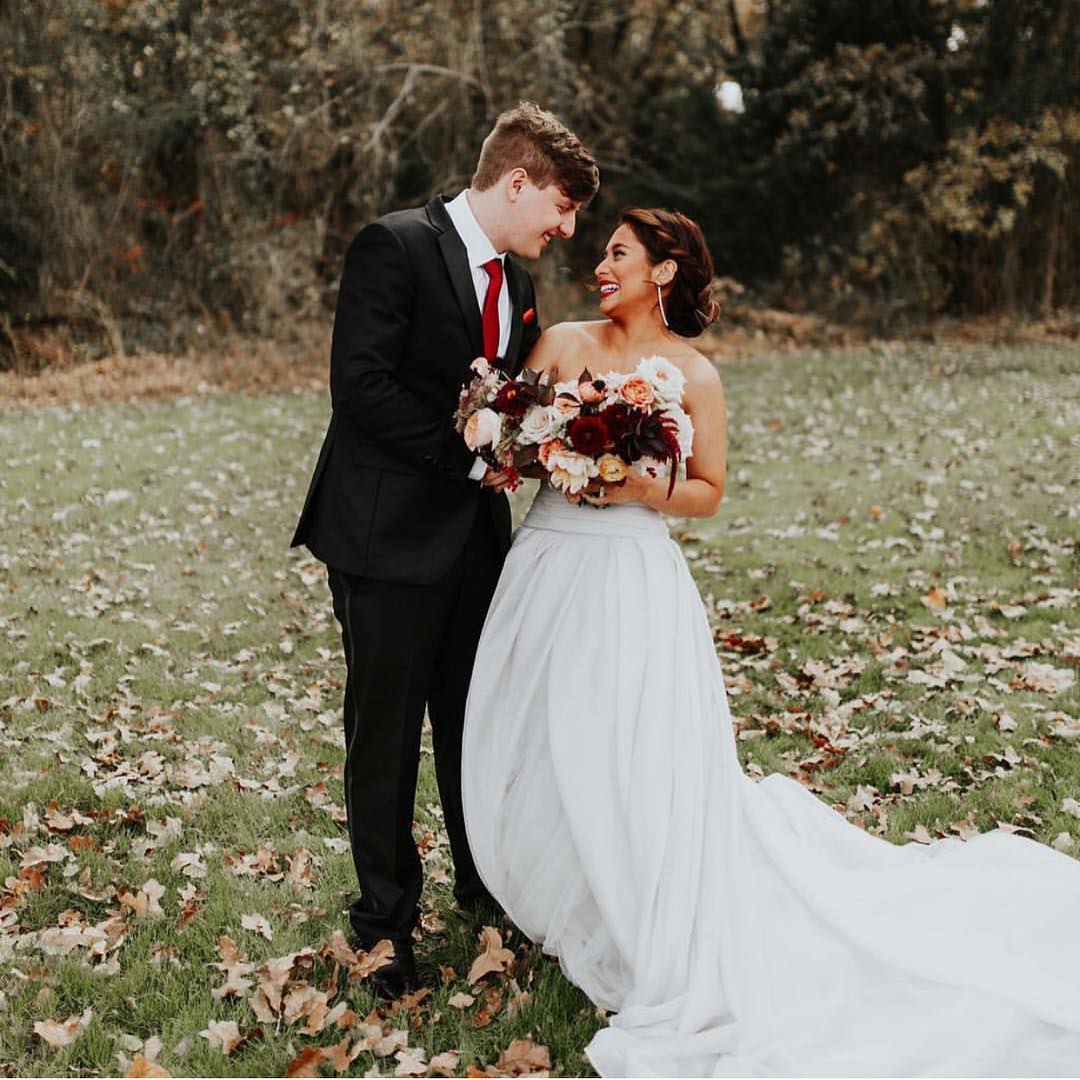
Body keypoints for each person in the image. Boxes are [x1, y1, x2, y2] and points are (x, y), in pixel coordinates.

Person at [461, 208, 1080, 1076]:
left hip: (631, 579)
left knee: (629, 749)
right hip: (547, 564)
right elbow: (515, 433)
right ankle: (560, 883)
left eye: (619, 253)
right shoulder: (562, 341)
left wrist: (633, 486)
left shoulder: (693, 374)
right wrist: (521, 448)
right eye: (601, 251)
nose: (600, 264)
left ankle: (640, 903)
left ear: (664, 271)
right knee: (539, 733)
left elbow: (708, 489)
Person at [291, 101, 599, 996]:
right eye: (562, 206)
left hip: (474, 545)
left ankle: (483, 886)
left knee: (477, 725)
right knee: (384, 738)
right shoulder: (392, 246)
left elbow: (509, 396)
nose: (567, 227)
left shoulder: (520, 282)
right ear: (516, 183)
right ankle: (385, 926)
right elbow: (362, 391)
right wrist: (471, 454)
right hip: (385, 538)